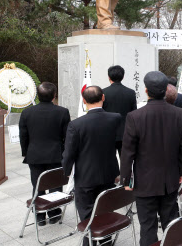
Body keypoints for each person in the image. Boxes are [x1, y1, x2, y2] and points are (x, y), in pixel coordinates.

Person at [121, 71, 182, 246]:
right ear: (166, 90)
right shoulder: (179, 114)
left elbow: (127, 152)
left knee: (148, 227)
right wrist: (181, 172)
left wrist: (126, 179)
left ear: (146, 90)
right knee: (170, 224)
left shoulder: (134, 116)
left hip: (145, 183)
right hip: (170, 180)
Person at [62, 86, 121, 246]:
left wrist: (67, 171)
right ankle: (106, 240)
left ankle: (90, 241)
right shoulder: (115, 118)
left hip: (85, 175)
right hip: (109, 172)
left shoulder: (76, 125)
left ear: (84, 101)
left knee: (87, 212)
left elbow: (69, 153)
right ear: (103, 97)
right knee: (106, 207)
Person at [19, 82, 71, 225]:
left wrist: (26, 152)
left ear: (37, 95)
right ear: (54, 95)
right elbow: (67, 136)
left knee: (37, 186)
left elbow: (23, 135)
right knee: (55, 185)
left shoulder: (27, 112)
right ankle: (54, 214)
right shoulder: (62, 112)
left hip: (34, 155)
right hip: (55, 154)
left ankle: (40, 216)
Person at [102, 65, 137, 158]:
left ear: (109, 77)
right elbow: (134, 113)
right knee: (125, 161)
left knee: (109, 160)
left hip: (108, 131)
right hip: (126, 131)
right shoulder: (131, 92)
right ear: (123, 76)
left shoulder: (103, 92)